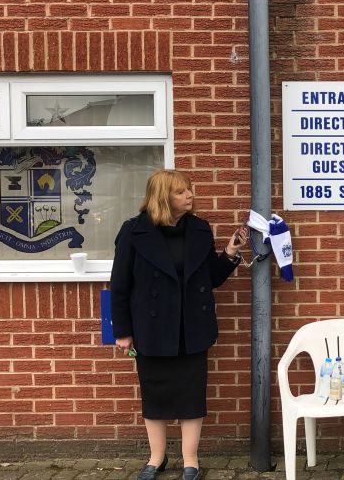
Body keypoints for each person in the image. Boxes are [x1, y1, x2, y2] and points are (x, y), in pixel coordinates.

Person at [110, 169, 247, 480]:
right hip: (152, 328)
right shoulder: (133, 232)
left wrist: (229, 253)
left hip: (191, 327)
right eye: (181, 192)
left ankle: (190, 461)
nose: (190, 196)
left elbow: (209, 277)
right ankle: (157, 457)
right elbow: (120, 285)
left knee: (191, 396)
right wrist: (123, 331)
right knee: (154, 395)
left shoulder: (199, 229)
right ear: (164, 197)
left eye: (189, 190)